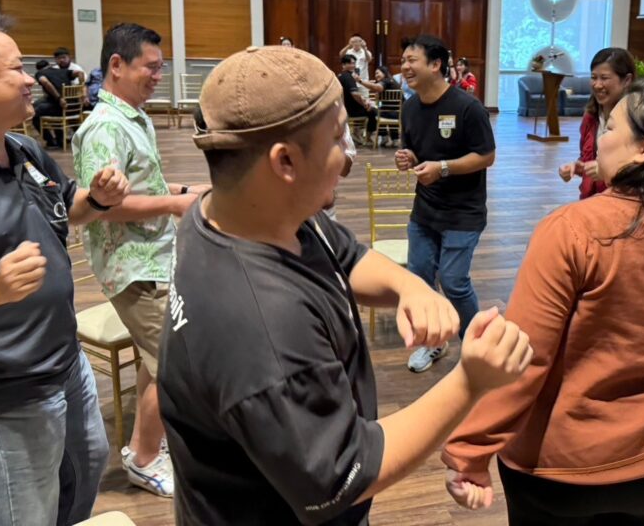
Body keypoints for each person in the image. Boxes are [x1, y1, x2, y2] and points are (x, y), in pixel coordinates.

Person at [157, 45, 533, 525]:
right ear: (285, 161)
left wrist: (410, 286)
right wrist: (469, 381)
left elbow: (348, 256)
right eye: (338, 138)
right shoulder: (261, 325)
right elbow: (341, 475)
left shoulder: (244, 211)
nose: (349, 155)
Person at [442, 77, 644, 526]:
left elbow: (528, 355)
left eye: (610, 127)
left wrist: (472, 447)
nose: (600, 136)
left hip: (569, 468)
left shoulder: (572, 230)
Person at [0, 11, 130, 526]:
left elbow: (66, 207)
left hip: (64, 361)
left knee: (85, 471)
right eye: (16, 68)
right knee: (26, 514)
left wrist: (97, 200)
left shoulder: (23, 148)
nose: (30, 80)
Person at [72, 23, 206, 498]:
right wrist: (174, 204)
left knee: (161, 355)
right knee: (173, 363)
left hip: (153, 255)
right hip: (133, 266)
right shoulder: (105, 127)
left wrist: (184, 190)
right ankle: (144, 458)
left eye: (159, 68)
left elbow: (143, 184)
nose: (157, 77)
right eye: (151, 67)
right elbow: (101, 207)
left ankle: (147, 444)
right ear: (117, 65)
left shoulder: (134, 118)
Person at [395, 35, 496, 373]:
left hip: (463, 212)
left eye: (412, 60)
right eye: (403, 61)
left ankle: (475, 346)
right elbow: (417, 150)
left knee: (453, 281)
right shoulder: (410, 107)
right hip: (425, 211)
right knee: (421, 281)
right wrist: (409, 158)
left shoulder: (468, 107)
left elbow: (486, 156)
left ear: (436, 64)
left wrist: (443, 168)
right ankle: (433, 342)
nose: (405, 67)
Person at [559, 47, 636, 199]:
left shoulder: (636, 119)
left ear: (627, 80)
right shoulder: (590, 117)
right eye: (594, 77)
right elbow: (587, 158)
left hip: (621, 201)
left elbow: (643, 169)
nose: (597, 85)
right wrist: (577, 167)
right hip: (591, 200)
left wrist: (606, 171)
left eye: (604, 78)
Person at [33, 58, 75, 147]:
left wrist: (59, 98)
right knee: (41, 106)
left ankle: (50, 140)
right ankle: (60, 140)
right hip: (73, 107)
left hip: (60, 106)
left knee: (34, 113)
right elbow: (80, 73)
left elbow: (45, 81)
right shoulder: (62, 71)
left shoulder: (40, 73)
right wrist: (82, 91)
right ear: (49, 65)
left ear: (38, 69)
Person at [339, 54, 378, 139]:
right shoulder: (348, 77)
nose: (353, 65)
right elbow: (355, 94)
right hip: (352, 110)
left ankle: (357, 132)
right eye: (351, 63)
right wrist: (365, 104)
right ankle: (368, 137)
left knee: (371, 108)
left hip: (346, 108)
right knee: (374, 111)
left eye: (354, 63)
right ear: (344, 64)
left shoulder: (341, 75)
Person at [339, 34, 373, 98]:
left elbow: (369, 59)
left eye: (358, 41)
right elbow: (341, 55)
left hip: (363, 81)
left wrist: (365, 48)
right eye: (354, 41)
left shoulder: (366, 52)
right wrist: (348, 45)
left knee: (364, 99)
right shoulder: (348, 51)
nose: (356, 43)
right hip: (350, 81)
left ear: (362, 42)